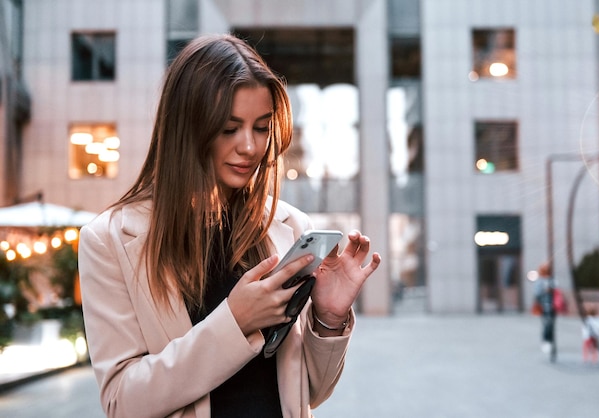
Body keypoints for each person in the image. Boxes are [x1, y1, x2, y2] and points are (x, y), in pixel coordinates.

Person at [78, 34, 381, 418]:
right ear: (187, 129)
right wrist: (234, 322)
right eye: (229, 128)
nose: (250, 147)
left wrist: (329, 319)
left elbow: (308, 393)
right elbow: (123, 402)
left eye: (261, 128)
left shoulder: (288, 227)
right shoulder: (109, 240)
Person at [533, 262, 556, 356]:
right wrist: (544, 291)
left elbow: (557, 291)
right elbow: (537, 294)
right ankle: (546, 341)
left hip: (553, 306)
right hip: (544, 306)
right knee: (546, 324)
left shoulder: (552, 280)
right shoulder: (540, 281)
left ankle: (550, 341)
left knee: (551, 325)